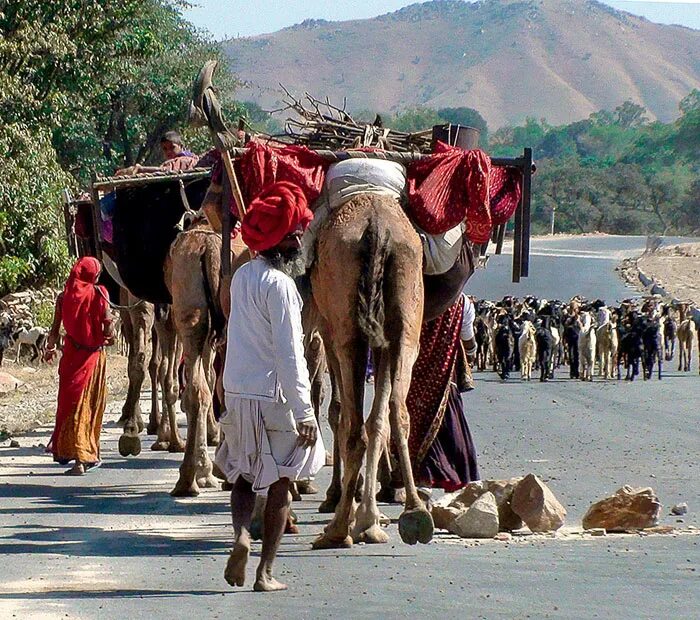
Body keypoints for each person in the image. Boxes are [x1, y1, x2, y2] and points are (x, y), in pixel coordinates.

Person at [214, 181, 324, 593]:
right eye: (294, 231)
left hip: (238, 392)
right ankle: (265, 572)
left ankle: (241, 533)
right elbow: (290, 354)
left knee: (243, 475)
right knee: (281, 482)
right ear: (279, 238)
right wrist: (306, 412)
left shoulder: (242, 276)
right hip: (274, 396)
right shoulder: (283, 287)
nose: (299, 237)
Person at [44, 257, 114, 475]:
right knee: (89, 406)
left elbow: (54, 331)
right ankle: (83, 458)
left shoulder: (63, 298)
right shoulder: (100, 293)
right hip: (93, 359)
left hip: (71, 358)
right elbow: (108, 328)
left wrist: (50, 348)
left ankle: (70, 452)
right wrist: (110, 335)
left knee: (70, 404)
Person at [405, 292, 479, 494]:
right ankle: (439, 480)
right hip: (444, 379)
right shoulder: (461, 302)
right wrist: (471, 352)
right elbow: (468, 338)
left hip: (409, 379)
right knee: (451, 433)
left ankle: (413, 479)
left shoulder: (412, 296)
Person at [116, 130, 199, 175]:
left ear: (181, 146)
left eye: (172, 147)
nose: (168, 151)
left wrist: (141, 169)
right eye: (165, 149)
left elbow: (166, 171)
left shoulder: (184, 160)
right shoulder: (173, 162)